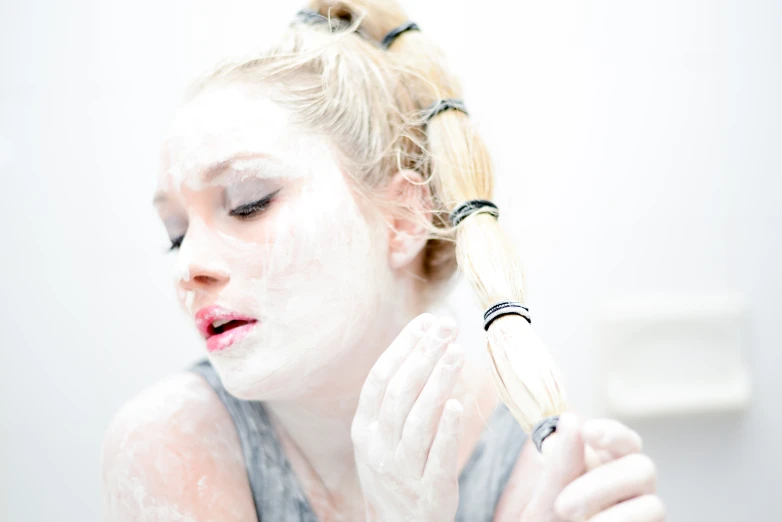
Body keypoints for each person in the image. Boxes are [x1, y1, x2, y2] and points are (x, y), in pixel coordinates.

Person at [101, 2, 665, 521]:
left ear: (402, 220)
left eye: (249, 203)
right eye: (176, 235)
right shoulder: (170, 445)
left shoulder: (537, 461)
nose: (188, 266)